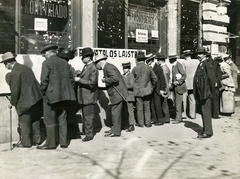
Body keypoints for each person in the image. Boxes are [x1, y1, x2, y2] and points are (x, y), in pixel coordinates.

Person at [38, 43, 76, 150]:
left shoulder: (46, 63)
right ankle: (63, 142)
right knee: (62, 118)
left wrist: (41, 92)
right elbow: (72, 80)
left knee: (50, 120)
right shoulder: (65, 63)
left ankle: (51, 144)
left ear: (48, 53)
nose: (44, 56)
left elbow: (44, 81)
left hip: (51, 96)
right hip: (65, 96)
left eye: (44, 54)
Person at [1, 52, 43, 148]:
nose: (5, 66)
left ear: (8, 63)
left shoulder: (15, 72)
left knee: (24, 122)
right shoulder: (26, 68)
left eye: (4, 64)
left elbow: (15, 90)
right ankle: (37, 140)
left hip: (25, 102)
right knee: (35, 120)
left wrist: (12, 103)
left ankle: (26, 143)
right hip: (36, 99)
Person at [94, 54, 128, 137]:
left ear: (100, 62)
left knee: (115, 113)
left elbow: (115, 79)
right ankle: (114, 129)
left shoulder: (108, 67)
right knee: (115, 112)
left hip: (117, 93)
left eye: (96, 63)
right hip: (117, 93)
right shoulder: (108, 66)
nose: (96, 66)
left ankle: (115, 132)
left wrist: (105, 80)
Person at [74, 47, 99, 141]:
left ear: (88, 57)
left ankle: (89, 134)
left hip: (89, 96)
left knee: (88, 116)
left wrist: (79, 79)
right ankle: (86, 131)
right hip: (85, 96)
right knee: (85, 115)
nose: (82, 58)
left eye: (83, 57)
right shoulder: (87, 67)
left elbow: (92, 83)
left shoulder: (93, 67)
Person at [193, 47, 215, 138]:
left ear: (204, 54)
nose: (198, 55)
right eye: (198, 54)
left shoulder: (207, 64)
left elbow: (212, 79)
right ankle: (205, 129)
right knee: (203, 112)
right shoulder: (201, 64)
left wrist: (211, 92)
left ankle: (208, 132)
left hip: (206, 93)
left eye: (200, 53)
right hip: (201, 92)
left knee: (206, 112)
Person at [132, 52, 157, 128]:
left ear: (137, 60)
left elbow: (131, 80)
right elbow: (155, 79)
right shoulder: (148, 68)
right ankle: (148, 123)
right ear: (144, 59)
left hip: (138, 91)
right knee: (147, 107)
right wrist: (151, 87)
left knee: (139, 108)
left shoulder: (135, 68)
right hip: (147, 91)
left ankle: (141, 123)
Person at [146, 54, 166, 126]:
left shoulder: (158, 68)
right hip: (151, 89)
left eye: (148, 61)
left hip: (157, 89)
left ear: (151, 60)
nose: (147, 62)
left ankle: (160, 120)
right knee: (152, 104)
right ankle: (154, 119)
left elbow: (162, 79)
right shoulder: (149, 68)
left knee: (157, 104)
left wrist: (162, 89)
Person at [169, 55, 187, 124]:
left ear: (173, 59)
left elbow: (184, 75)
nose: (169, 61)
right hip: (175, 87)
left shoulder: (178, 65)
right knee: (176, 102)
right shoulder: (174, 65)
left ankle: (178, 118)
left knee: (178, 103)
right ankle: (178, 117)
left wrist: (179, 82)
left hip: (179, 87)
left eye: (170, 60)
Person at [181, 50, 199, 119]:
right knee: (192, 98)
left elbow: (183, 74)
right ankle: (192, 114)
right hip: (193, 83)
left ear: (185, 56)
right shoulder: (195, 63)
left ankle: (184, 114)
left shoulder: (184, 63)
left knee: (184, 99)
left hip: (185, 83)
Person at [155, 53, 171, 123]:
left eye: (158, 61)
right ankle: (166, 118)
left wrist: (163, 89)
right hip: (166, 87)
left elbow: (163, 80)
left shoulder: (163, 69)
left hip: (164, 88)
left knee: (164, 104)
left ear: (160, 61)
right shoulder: (167, 68)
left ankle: (166, 118)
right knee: (164, 103)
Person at [121, 62, 136, 132]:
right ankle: (125, 124)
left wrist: (123, 87)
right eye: (123, 68)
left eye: (126, 68)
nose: (124, 69)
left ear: (129, 69)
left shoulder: (131, 76)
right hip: (124, 96)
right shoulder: (122, 76)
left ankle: (132, 125)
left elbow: (131, 85)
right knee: (124, 111)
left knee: (130, 111)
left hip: (129, 95)